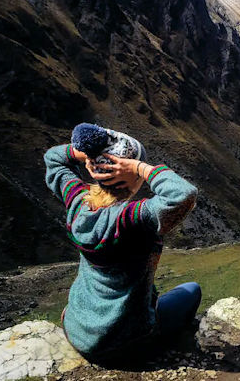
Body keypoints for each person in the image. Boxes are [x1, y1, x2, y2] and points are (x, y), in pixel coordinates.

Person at [44, 123, 201, 365]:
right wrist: (140, 166)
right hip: (123, 343)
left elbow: (53, 157)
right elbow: (183, 194)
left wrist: (90, 155)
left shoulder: (77, 201)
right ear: (130, 175)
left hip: (76, 331)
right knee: (191, 291)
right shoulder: (133, 219)